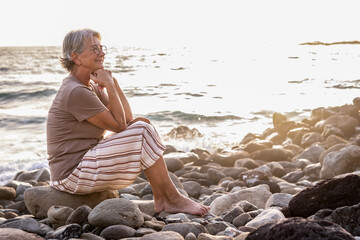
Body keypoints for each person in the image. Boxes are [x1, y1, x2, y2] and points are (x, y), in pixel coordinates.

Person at [46, 28, 209, 216]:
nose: (102, 53)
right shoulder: (76, 91)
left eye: (101, 47)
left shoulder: (87, 86)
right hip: (71, 174)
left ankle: (162, 197)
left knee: (141, 124)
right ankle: (172, 198)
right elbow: (120, 125)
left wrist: (113, 82)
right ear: (76, 57)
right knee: (142, 130)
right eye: (95, 49)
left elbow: (128, 119)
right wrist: (108, 86)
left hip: (83, 164)